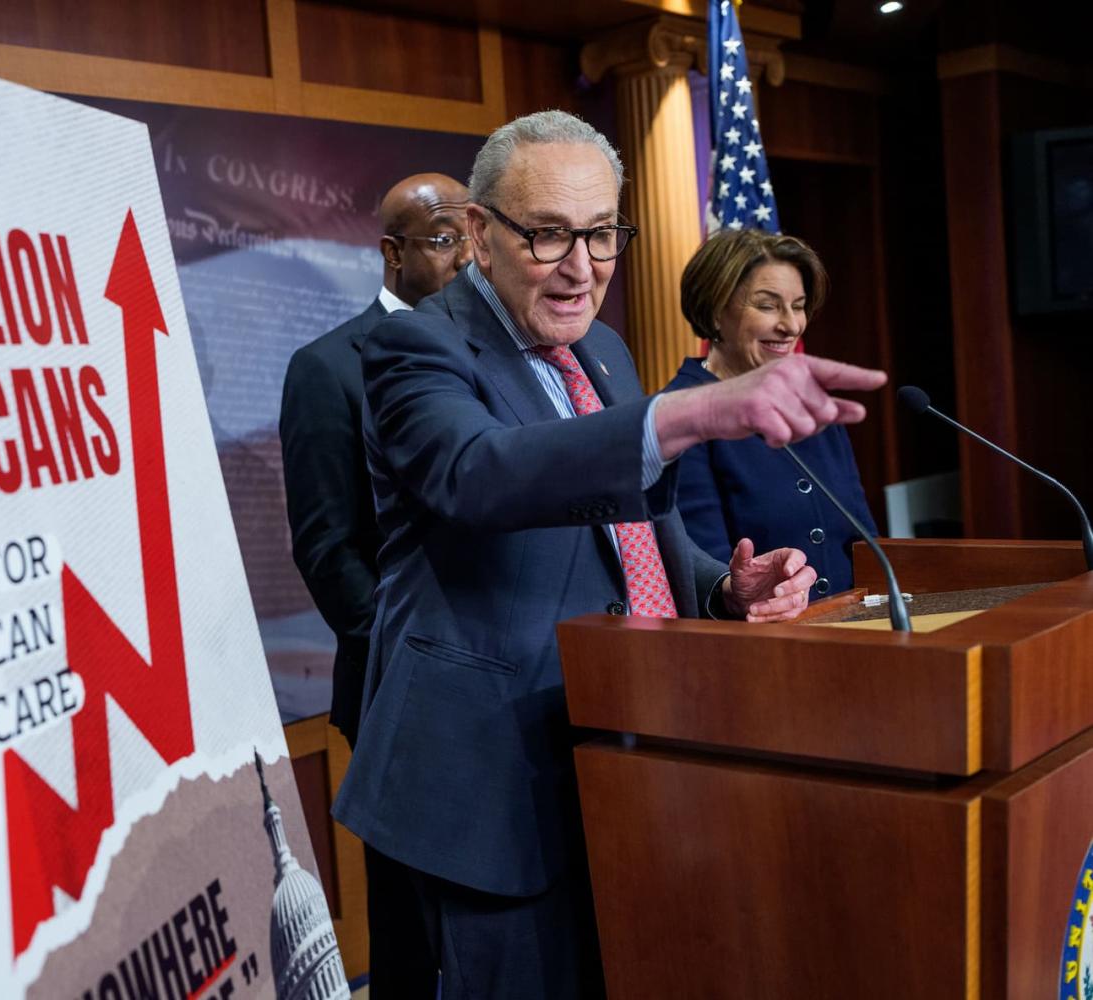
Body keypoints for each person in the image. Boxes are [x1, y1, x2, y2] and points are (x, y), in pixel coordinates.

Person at [331, 111, 886, 999]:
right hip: (492, 784)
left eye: (600, 234)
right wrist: (694, 409)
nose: (582, 266)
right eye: (548, 234)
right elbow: (480, 475)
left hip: (628, 755)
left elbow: (638, 536)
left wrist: (723, 588)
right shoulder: (415, 345)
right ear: (478, 232)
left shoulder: (604, 350)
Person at [279, 172, 470, 997]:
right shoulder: (328, 368)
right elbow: (328, 550)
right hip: (399, 686)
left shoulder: (495, 354)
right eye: (444, 239)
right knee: (413, 928)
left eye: (474, 238)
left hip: (504, 682)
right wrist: (415, 656)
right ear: (393, 253)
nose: (466, 259)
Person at [665, 228, 879, 598]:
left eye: (798, 306)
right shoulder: (682, 414)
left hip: (855, 622)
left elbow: (866, 544)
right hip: (760, 630)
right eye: (768, 306)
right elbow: (705, 572)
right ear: (715, 311)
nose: (791, 325)